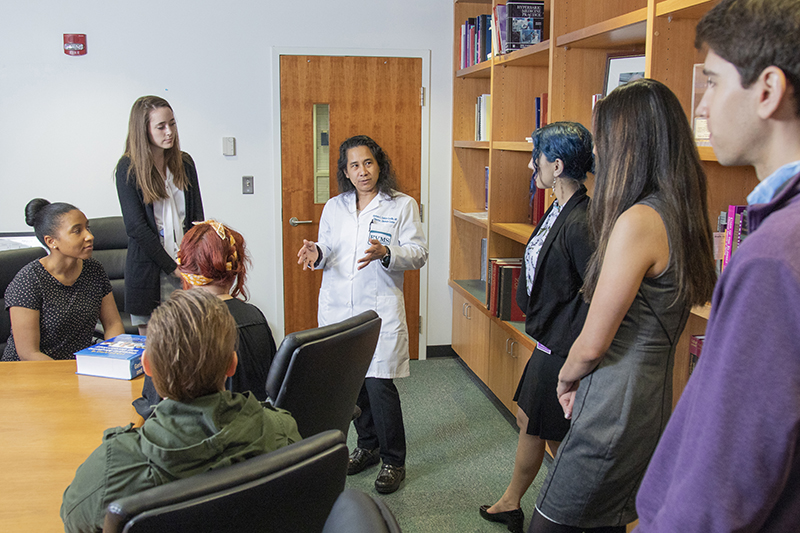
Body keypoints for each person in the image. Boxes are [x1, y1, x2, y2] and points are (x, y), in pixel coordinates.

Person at [635, 1, 800, 531]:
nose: (701, 108)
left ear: (768, 90)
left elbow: (731, 469)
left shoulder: (776, 256)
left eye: (712, 82)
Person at [530, 79, 717, 532]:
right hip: (651, 400)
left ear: (629, 144)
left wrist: (565, 377)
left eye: (606, 142)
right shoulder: (681, 212)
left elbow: (592, 344)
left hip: (613, 400)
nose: (599, 158)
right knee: (604, 519)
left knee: (554, 520)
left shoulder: (638, 221)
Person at [60, 289, 301, 533]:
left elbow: (73, 519)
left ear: (147, 366)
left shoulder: (111, 469)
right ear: (232, 364)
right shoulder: (283, 432)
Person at [479, 122, 595, 533]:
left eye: (538, 158)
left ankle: (571, 515)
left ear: (557, 165)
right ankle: (512, 500)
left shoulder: (582, 221)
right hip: (548, 340)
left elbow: (595, 297)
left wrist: (576, 359)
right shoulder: (559, 207)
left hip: (564, 348)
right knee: (531, 420)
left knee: (557, 437)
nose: (533, 165)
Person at [297, 135, 428, 494]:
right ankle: (367, 446)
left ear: (379, 165)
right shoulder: (334, 207)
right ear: (345, 171)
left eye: (368, 163)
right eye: (354, 165)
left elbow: (418, 252)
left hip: (378, 308)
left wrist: (388, 252)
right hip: (339, 307)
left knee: (379, 385)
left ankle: (393, 460)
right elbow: (329, 249)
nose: (362, 171)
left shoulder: (401, 205)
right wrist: (316, 253)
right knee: (352, 385)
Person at [133, 220, 277, 418]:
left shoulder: (176, 324)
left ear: (183, 266)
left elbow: (153, 408)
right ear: (236, 266)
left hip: (190, 442)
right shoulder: (256, 318)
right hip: (253, 435)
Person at [115, 95, 204, 335]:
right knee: (156, 355)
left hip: (186, 266)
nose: (169, 132)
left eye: (172, 124)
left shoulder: (184, 163)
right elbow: (137, 228)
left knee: (190, 345)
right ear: (143, 130)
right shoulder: (128, 167)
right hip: (151, 271)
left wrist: (194, 261)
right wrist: (171, 267)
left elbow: (197, 218)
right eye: (161, 126)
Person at [2, 199, 124, 361]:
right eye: (77, 231)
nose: (89, 236)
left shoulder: (93, 269)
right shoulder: (29, 281)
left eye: (87, 228)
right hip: (31, 373)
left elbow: (112, 324)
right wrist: (70, 378)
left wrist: (114, 358)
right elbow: (29, 353)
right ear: (51, 241)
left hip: (78, 367)